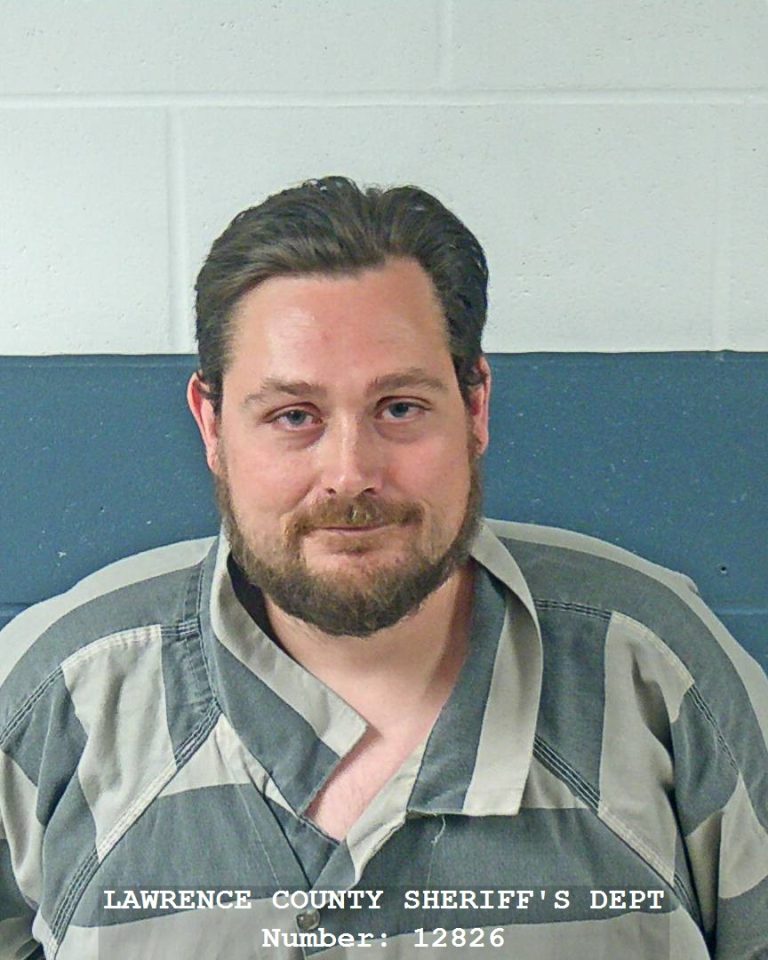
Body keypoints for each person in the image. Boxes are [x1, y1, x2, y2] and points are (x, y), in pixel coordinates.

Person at [0, 177, 765, 960]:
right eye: (293, 416)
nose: (350, 474)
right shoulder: (55, 695)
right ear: (212, 424)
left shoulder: (658, 670)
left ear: (475, 408)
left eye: (399, 407)